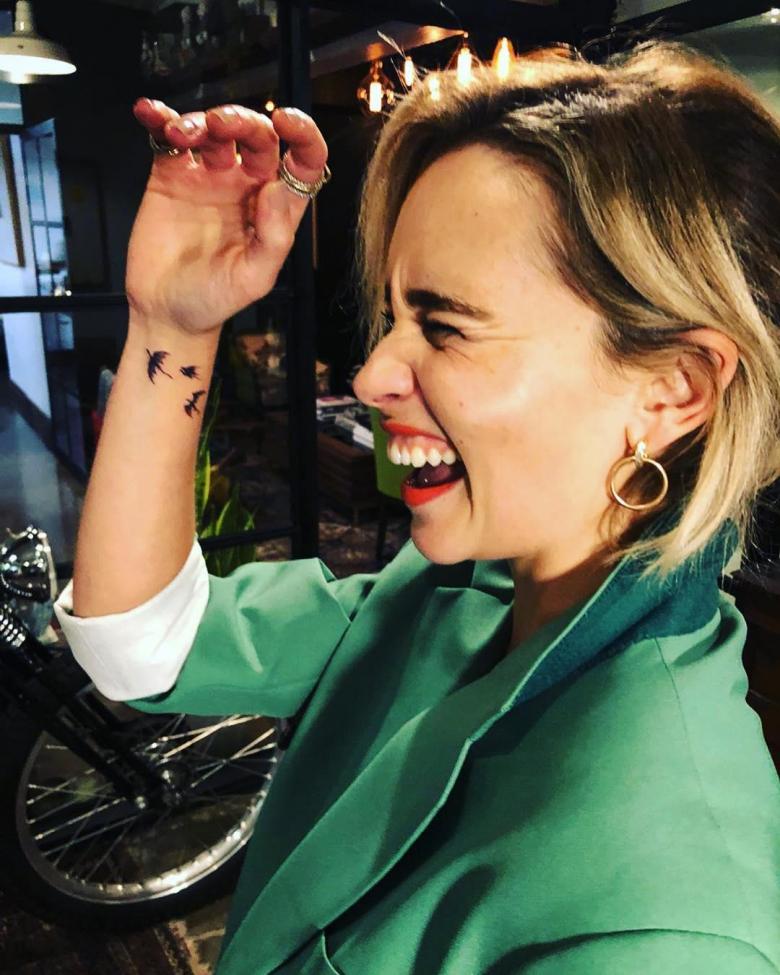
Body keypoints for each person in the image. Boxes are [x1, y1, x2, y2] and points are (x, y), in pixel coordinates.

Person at [54, 39, 780, 975]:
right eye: (396, 316)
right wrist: (173, 321)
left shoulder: (667, 924)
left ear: (675, 387)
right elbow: (138, 639)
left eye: (445, 325)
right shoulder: (455, 596)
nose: (373, 374)